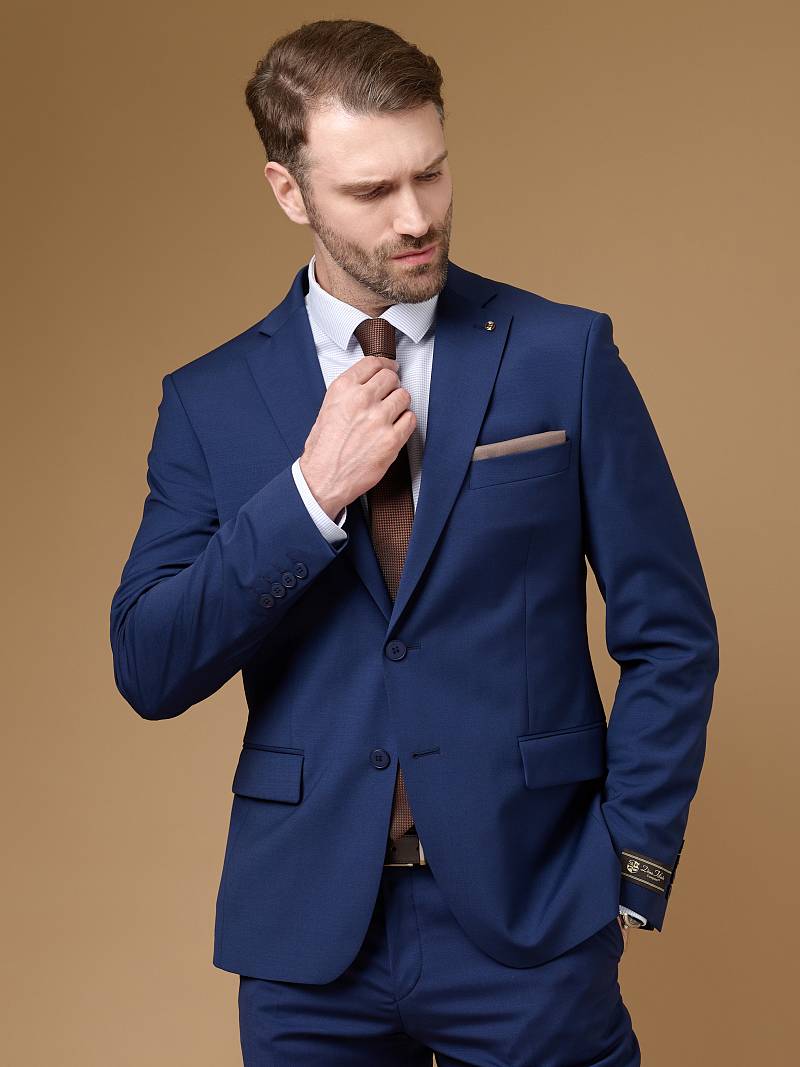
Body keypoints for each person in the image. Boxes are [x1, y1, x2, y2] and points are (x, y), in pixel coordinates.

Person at [110, 18, 719, 1066]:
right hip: (307, 941)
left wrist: (630, 862)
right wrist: (308, 495)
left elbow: (670, 632)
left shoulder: (562, 354)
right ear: (289, 191)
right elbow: (149, 663)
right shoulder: (210, 401)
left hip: (534, 917)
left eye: (430, 173)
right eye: (371, 191)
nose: (416, 217)